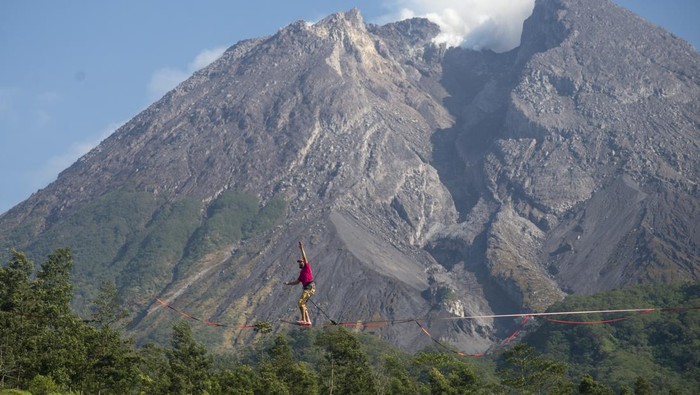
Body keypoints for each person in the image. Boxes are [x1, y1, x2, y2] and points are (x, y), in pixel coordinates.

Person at [284, 257, 315, 325]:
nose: (300, 263)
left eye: (301, 262)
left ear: (304, 262)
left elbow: (305, 257)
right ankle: (308, 321)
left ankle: (303, 320)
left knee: (300, 302)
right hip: (307, 288)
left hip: (309, 287)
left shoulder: (307, 267)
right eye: (299, 262)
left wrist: (301, 248)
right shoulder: (302, 272)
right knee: (303, 304)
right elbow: (297, 282)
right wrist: (288, 283)